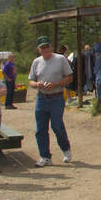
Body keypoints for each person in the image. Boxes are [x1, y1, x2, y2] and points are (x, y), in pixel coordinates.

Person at [29, 36, 73, 166]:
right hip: (42, 97)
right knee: (40, 129)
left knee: (57, 125)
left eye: (47, 46)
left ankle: (66, 149)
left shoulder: (60, 59)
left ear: (51, 47)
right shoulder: (36, 62)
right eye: (43, 47)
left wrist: (56, 84)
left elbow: (69, 77)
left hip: (56, 96)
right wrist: (37, 84)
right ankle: (45, 156)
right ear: (39, 50)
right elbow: (31, 80)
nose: (45, 49)